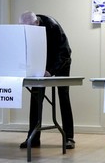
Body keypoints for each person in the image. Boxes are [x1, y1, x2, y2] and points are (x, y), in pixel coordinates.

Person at [18, 11, 75, 149]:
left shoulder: (53, 26)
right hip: (41, 62)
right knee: (36, 96)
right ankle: (33, 137)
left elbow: (65, 53)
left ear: (37, 23)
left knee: (63, 95)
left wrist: (50, 71)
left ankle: (69, 137)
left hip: (61, 61)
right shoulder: (28, 26)